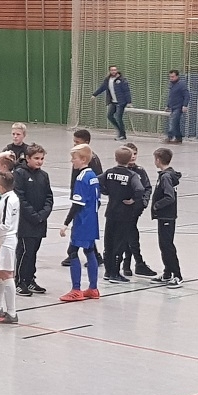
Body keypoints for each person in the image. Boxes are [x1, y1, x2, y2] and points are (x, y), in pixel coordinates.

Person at [60, 144, 102, 302]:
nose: (72, 161)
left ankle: (76, 289)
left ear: (83, 159)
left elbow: (77, 204)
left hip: (82, 221)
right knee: (89, 251)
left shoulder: (81, 178)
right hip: (92, 220)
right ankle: (93, 288)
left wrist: (66, 223)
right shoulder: (93, 176)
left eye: (74, 158)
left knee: (72, 251)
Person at [100, 146, 144, 284]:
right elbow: (140, 189)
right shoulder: (132, 175)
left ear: (115, 158)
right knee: (119, 244)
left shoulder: (109, 172)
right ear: (129, 159)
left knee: (108, 243)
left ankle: (108, 271)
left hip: (111, 211)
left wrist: (107, 191)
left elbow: (96, 182)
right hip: (125, 214)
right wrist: (133, 200)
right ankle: (115, 273)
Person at [13, 144, 53, 296]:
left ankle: (30, 279)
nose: (39, 161)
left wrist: (43, 214)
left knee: (34, 251)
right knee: (25, 252)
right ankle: (19, 281)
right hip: (25, 222)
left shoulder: (44, 176)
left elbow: (49, 197)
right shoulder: (19, 174)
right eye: (36, 158)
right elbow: (20, 198)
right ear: (28, 158)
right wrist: (34, 216)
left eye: (42, 158)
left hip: (40, 222)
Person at [63, 129, 103, 267]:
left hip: (85, 200)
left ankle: (74, 253)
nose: (75, 144)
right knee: (84, 228)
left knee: (81, 226)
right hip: (79, 195)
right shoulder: (78, 157)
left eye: (77, 142)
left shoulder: (91, 161)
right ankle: (92, 255)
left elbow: (97, 179)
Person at [0, 171, 20, 324]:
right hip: (3, 241)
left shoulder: (8, 200)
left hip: (5, 241)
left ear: (0, 187)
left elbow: (6, 225)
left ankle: (11, 312)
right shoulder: (9, 198)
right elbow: (2, 214)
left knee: (6, 274)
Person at [121, 142, 157, 277]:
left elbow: (147, 188)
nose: (133, 157)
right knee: (129, 236)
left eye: (135, 154)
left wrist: (143, 202)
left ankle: (133, 263)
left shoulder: (140, 171)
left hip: (135, 210)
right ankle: (131, 263)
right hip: (122, 210)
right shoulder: (120, 171)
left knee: (131, 235)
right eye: (130, 154)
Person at [151, 147, 183, 287]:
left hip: (167, 216)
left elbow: (169, 197)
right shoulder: (166, 175)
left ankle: (177, 275)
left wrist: (157, 205)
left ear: (158, 160)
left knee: (167, 246)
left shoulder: (166, 177)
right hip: (164, 216)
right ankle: (167, 273)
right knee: (163, 245)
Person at [92, 64, 132, 140]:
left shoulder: (122, 80)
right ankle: (120, 131)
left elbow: (127, 91)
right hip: (113, 102)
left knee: (118, 117)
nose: (113, 71)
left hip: (121, 102)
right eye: (112, 70)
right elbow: (102, 88)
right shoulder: (107, 80)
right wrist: (94, 95)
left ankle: (122, 135)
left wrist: (129, 102)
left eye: (115, 70)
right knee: (109, 116)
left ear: (117, 70)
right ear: (110, 71)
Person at [165, 69, 191, 144]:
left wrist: (185, 105)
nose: (171, 78)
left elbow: (187, 95)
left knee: (172, 122)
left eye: (173, 77)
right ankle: (178, 138)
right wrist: (168, 105)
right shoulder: (171, 85)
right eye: (170, 77)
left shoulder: (181, 85)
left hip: (178, 107)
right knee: (176, 123)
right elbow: (171, 96)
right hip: (173, 107)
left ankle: (170, 137)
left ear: (177, 76)